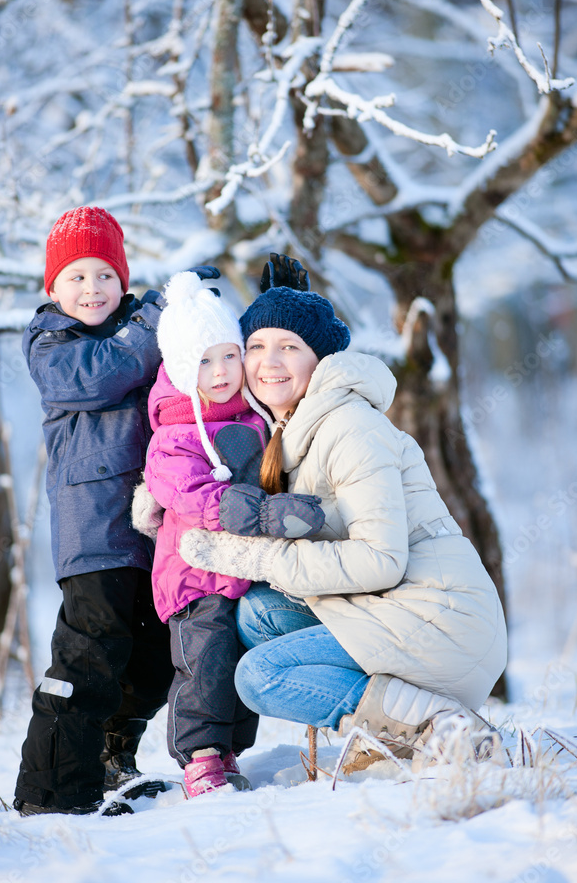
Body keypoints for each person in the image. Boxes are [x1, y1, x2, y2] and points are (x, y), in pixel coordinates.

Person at [177, 285, 509, 769]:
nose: (270, 361)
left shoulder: (350, 427)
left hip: (441, 621)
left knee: (259, 677)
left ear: (321, 361)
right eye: (257, 346)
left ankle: (437, 727)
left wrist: (263, 558)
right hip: (396, 608)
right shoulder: (291, 432)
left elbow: (381, 560)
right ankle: (394, 726)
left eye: (290, 347)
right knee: (257, 614)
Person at [13, 206, 219, 816]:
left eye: (105, 275)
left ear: (121, 279)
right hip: (93, 533)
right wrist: (157, 316)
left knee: (154, 657)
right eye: (76, 277)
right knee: (90, 655)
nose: (92, 288)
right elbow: (101, 377)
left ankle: (110, 757)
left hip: (152, 531)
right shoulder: (52, 343)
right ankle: (51, 792)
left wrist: (192, 314)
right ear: (53, 288)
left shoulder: (140, 330)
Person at [139, 272, 324, 796]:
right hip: (194, 577)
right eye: (204, 361)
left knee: (240, 660)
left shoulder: (253, 415)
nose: (220, 371)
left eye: (229, 355)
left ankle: (228, 750)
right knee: (207, 663)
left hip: (243, 571)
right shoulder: (174, 432)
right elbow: (187, 493)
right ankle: (200, 755)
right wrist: (248, 512)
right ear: (181, 367)